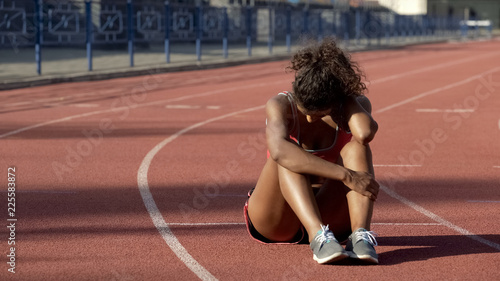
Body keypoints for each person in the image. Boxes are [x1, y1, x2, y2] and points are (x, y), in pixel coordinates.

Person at [243, 37, 380, 264]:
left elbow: (365, 133)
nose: (308, 117)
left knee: (357, 148)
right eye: (304, 109)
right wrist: (347, 176)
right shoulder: (280, 105)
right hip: (276, 217)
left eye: (317, 113)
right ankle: (318, 238)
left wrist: (346, 98)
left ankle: (360, 237)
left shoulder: (351, 106)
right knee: (287, 153)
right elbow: (278, 151)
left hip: (330, 215)